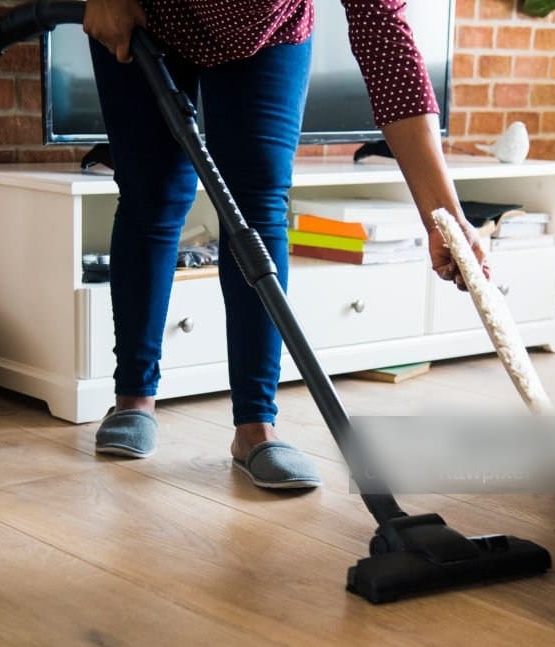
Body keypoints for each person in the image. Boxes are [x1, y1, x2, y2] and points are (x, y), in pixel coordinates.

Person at [84, 0, 489, 489]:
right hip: (149, 12)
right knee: (153, 195)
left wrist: (443, 217)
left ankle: (255, 427)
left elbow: (388, 49)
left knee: (256, 207)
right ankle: (133, 398)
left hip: (265, 31)